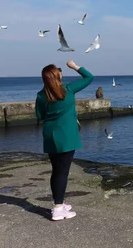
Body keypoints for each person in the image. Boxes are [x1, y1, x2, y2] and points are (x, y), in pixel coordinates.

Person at [35, 60, 93, 221]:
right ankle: (58, 209)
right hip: (66, 136)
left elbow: (40, 116)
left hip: (50, 136)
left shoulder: (41, 95)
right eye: (59, 70)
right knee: (62, 172)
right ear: (56, 76)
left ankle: (59, 202)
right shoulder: (68, 90)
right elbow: (89, 77)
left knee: (57, 170)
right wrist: (74, 66)